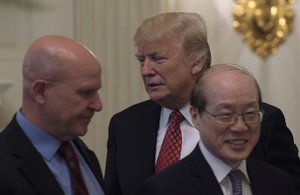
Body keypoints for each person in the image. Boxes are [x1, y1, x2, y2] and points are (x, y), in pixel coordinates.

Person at [104, 12, 300, 195]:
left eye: (157, 58)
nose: (146, 70)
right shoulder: (124, 124)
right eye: (141, 60)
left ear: (196, 62)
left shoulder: (263, 121)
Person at [137, 63, 296, 195]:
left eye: (250, 114)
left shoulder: (280, 184)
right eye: (225, 115)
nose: (240, 126)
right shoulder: (163, 189)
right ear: (195, 116)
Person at [0, 35, 105, 195]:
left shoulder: (82, 154)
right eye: (85, 92)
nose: (98, 105)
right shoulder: (5, 164)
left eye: (96, 92)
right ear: (41, 91)